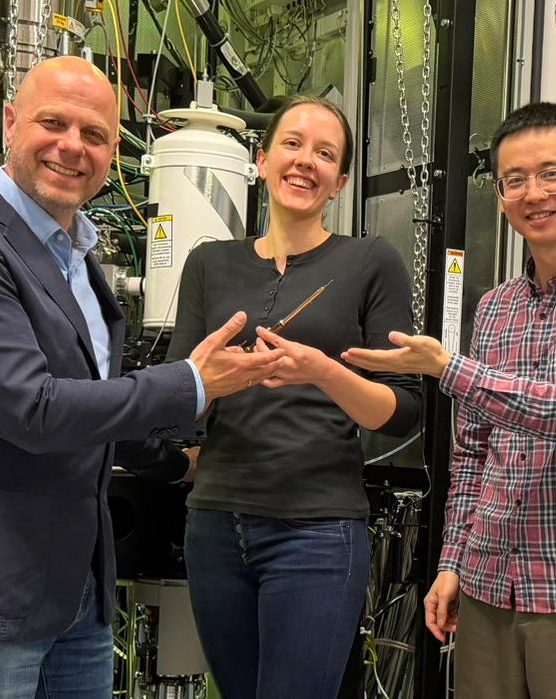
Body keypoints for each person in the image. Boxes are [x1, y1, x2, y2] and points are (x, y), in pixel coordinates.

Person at [0, 56, 284, 699]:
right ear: (11, 123)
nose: (73, 146)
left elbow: (92, 411)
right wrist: (190, 381)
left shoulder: (77, 258)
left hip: (78, 591)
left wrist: (178, 465)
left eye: (95, 134)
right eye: (53, 123)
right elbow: (34, 410)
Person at [344, 102, 556, 699]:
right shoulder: (495, 308)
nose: (534, 192)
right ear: (500, 195)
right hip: (490, 587)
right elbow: (473, 454)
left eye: (553, 173)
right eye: (515, 179)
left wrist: (449, 367)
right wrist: (452, 562)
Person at [164, 95, 422, 699]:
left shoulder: (369, 261)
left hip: (318, 531)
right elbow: (178, 400)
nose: (306, 161)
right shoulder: (208, 264)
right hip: (216, 528)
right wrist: (214, 380)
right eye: (292, 144)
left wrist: (322, 373)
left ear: (341, 181)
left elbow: (404, 411)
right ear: (261, 160)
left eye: (325, 154)